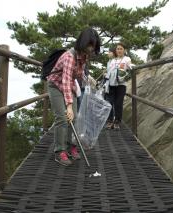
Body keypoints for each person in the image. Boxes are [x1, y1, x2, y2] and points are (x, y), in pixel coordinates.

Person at [47, 27, 101, 166]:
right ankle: (59, 151)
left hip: (69, 86)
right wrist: (69, 106)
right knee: (63, 118)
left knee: (74, 118)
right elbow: (65, 80)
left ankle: (71, 146)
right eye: (90, 45)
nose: (91, 49)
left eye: (93, 46)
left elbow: (77, 73)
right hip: (56, 86)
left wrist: (88, 79)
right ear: (83, 43)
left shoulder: (84, 56)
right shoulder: (69, 56)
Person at [105, 42, 131, 130]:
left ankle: (117, 121)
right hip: (111, 84)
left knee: (118, 103)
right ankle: (109, 121)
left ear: (124, 50)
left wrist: (130, 69)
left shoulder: (127, 59)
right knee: (109, 103)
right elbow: (109, 71)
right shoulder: (113, 60)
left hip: (121, 84)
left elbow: (130, 68)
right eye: (117, 49)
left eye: (121, 49)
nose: (119, 50)